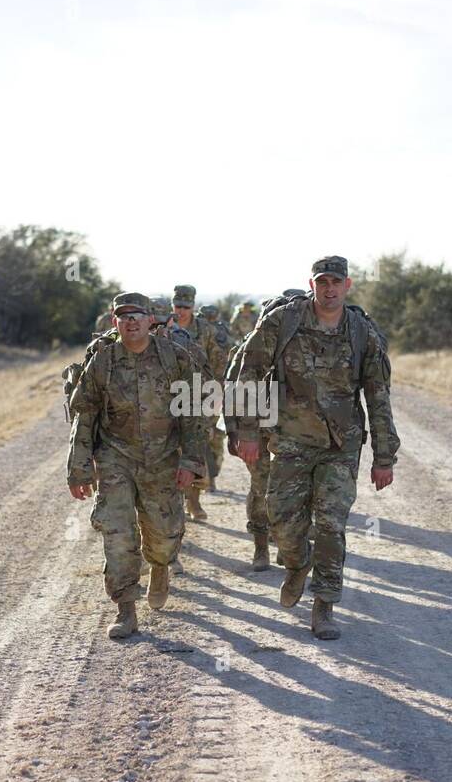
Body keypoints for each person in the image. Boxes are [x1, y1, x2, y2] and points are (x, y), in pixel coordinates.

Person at [235, 256, 398, 640]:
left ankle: (324, 604)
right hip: (289, 441)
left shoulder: (362, 332)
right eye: (322, 281)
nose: (329, 289)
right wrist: (246, 430)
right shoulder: (284, 321)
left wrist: (384, 455)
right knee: (283, 520)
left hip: (341, 446)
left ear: (347, 285)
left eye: (336, 282)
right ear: (311, 283)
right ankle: (296, 564)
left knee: (330, 523)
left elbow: (378, 396)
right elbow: (249, 372)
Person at [67, 292, 207, 638]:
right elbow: (84, 416)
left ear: (150, 320)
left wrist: (190, 460)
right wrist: (80, 468)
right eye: (123, 316)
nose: (131, 321)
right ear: (115, 322)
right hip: (116, 455)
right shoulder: (103, 362)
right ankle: (126, 608)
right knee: (117, 531)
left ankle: (160, 566)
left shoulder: (175, 358)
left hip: (163, 456)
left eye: (137, 315)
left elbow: (193, 413)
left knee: (163, 536)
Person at [172, 284, 228, 509]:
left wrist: (218, 393)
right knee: (176, 447)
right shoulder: (163, 327)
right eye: (177, 306)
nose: (181, 311)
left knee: (203, 444)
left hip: (203, 396)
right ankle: (182, 499)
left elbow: (219, 363)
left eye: (185, 307)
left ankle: (195, 498)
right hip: (173, 396)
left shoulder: (206, 330)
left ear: (193, 306)